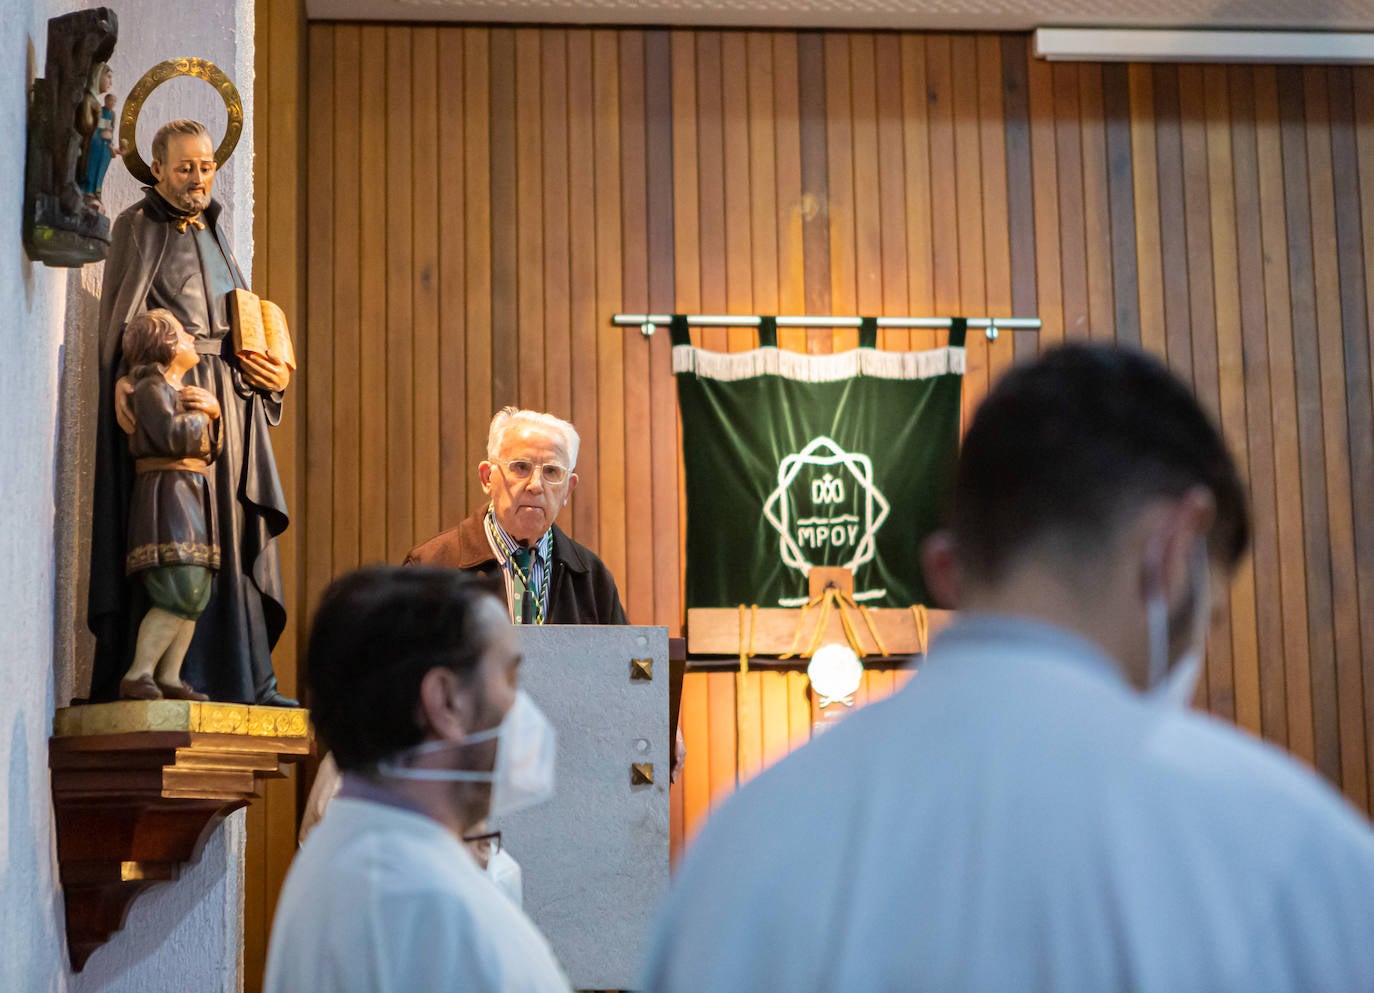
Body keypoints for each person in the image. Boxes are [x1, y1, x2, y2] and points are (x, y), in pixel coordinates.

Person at [640, 344, 1374, 993]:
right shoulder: (1295, 853)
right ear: (1174, 550)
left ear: (946, 572)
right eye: (1209, 618)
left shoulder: (737, 845)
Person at [264, 566, 568, 993]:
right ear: (445, 700)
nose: (520, 706)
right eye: (508, 677)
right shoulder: (436, 907)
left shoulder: (338, 848)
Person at [88, 118, 296, 706]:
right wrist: (125, 382)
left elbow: (246, 324)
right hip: (175, 401)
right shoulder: (137, 229)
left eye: (207, 167)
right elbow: (123, 325)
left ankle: (250, 681)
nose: (199, 179)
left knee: (234, 538)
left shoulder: (217, 232)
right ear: (156, 169)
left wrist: (271, 378)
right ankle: (153, 675)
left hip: (227, 400)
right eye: (185, 168)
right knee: (180, 546)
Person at [405, 407, 627, 626]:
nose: (536, 485)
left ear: (568, 489)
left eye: (551, 471)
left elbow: (620, 659)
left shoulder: (591, 577)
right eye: (521, 467)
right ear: (487, 478)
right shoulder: (430, 568)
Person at [114, 310, 221, 701]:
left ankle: (170, 677)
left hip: (189, 490)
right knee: (177, 588)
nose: (193, 338)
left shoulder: (177, 387)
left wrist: (214, 414)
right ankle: (138, 673)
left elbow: (212, 449)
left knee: (197, 593)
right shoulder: (149, 387)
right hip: (167, 493)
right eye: (184, 335)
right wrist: (203, 415)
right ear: (166, 345)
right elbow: (166, 435)